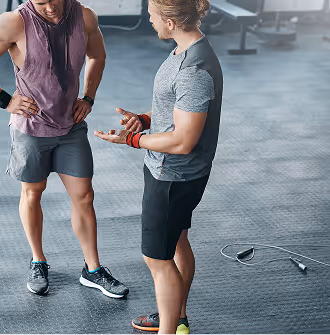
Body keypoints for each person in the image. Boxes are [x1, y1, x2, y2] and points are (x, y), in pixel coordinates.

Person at [0, 0, 129, 298]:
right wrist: (4, 99)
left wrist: (88, 97)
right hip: (30, 128)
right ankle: (38, 260)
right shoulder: (13, 22)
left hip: (71, 127)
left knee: (84, 196)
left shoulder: (85, 17)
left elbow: (98, 56)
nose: (51, 7)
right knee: (32, 192)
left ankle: (92, 269)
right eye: (41, 2)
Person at [94, 0, 223, 332]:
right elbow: (180, 112)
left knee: (157, 259)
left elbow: (183, 140)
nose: (148, 20)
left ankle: (170, 328)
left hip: (172, 176)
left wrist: (132, 140)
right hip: (176, 173)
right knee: (177, 241)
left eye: (151, 16)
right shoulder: (185, 50)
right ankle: (176, 317)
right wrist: (145, 120)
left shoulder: (194, 69)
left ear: (170, 22)